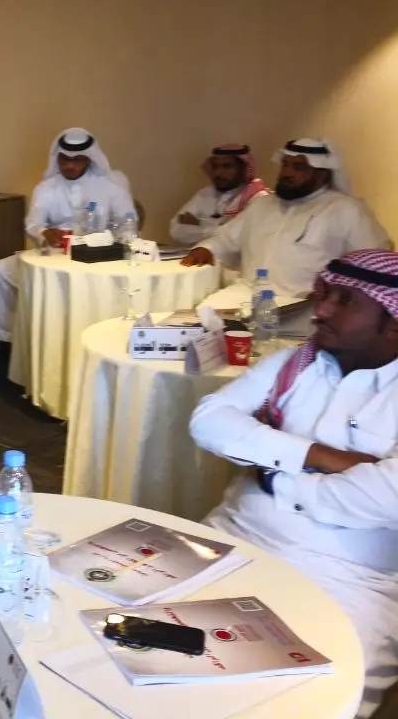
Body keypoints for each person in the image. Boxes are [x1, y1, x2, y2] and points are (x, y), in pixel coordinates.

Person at [189, 250, 398, 718]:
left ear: (393, 323)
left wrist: (271, 472)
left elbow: (388, 497)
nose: (321, 308)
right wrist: (321, 458)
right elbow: (210, 421)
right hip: (233, 535)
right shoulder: (296, 362)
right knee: (141, 642)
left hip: (350, 577)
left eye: (345, 301)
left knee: (302, 700)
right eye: (326, 294)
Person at [181, 139, 391, 311]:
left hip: (303, 305)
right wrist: (206, 248)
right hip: (245, 295)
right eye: (285, 165)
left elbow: (371, 263)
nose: (286, 173)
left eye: (298, 167)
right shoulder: (262, 205)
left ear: (320, 174)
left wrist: (331, 294)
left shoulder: (345, 209)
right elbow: (226, 238)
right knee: (201, 323)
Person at [0, 127, 136, 343]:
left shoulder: (110, 185)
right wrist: (43, 232)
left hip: (99, 254)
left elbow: (128, 222)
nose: (69, 165)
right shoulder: (47, 187)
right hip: (56, 252)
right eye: (64, 159)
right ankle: (1, 339)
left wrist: (105, 239)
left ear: (89, 159)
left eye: (77, 160)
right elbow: (33, 222)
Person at [169, 144, 268, 247]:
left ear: (243, 169)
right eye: (215, 166)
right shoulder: (204, 194)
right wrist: (217, 228)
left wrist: (200, 223)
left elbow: (239, 238)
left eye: (227, 166)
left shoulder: (257, 197)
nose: (218, 173)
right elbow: (176, 230)